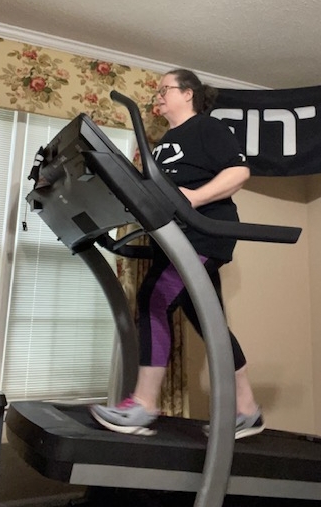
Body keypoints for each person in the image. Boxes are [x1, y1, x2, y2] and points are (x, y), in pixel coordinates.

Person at [90, 69, 264, 440]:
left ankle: (143, 404)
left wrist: (194, 199)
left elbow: (238, 171)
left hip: (202, 234)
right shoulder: (164, 141)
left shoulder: (206, 128)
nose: (158, 96)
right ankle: (248, 409)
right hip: (173, 239)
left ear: (188, 94)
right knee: (209, 322)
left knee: (153, 301)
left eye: (164, 89)